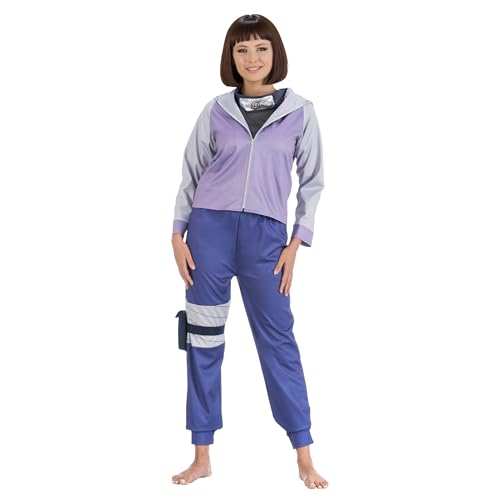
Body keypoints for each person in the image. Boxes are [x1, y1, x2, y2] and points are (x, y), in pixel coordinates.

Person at [170, 14, 328, 489]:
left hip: (266, 240)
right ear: (231, 57)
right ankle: (201, 455)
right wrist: (177, 234)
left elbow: (313, 181)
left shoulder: (300, 112)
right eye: (242, 50)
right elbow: (191, 173)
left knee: (279, 342)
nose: (252, 58)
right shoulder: (215, 110)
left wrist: (297, 242)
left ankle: (304, 455)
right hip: (208, 234)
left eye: (261, 48)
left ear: (275, 53)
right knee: (203, 340)